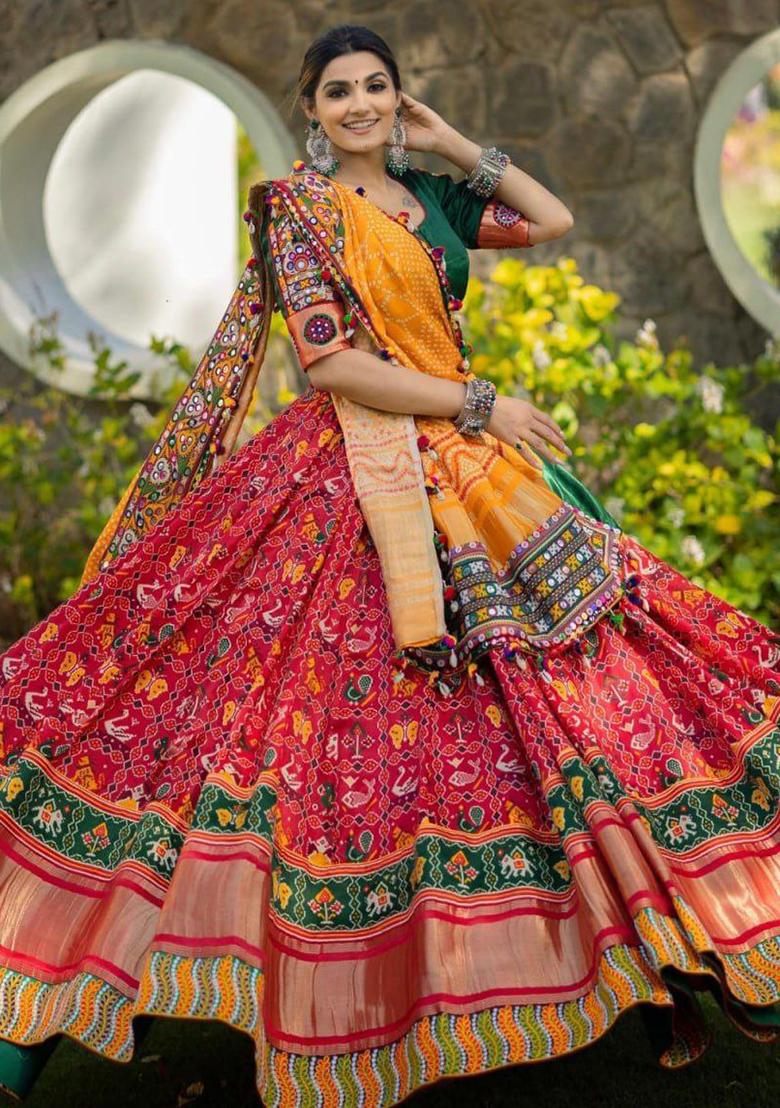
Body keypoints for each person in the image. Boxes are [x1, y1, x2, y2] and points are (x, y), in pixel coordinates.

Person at [0, 21, 778, 1107]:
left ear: (398, 97)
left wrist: (456, 144)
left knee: (559, 695)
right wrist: (481, 401)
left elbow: (550, 219)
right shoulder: (303, 214)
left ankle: (649, 949)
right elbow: (329, 362)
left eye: (377, 87)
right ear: (310, 111)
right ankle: (50, 982)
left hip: (469, 474)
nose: (360, 104)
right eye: (338, 92)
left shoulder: (429, 198)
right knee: (234, 708)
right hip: (345, 477)